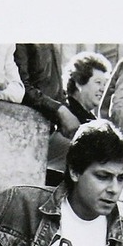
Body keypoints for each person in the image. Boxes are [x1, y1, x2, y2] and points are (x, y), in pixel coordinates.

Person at [47, 50, 111, 184]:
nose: (102, 89)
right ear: (79, 82)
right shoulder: (65, 115)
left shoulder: (92, 121)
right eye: (98, 82)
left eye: (105, 84)